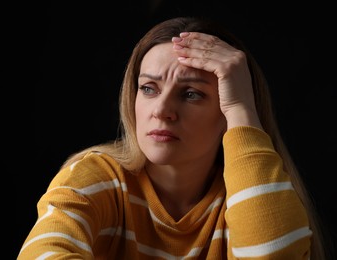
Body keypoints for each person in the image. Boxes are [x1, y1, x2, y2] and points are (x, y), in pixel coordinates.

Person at [17, 16, 330, 259]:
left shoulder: (249, 194)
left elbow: (274, 256)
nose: (162, 110)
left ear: (227, 113)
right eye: (149, 88)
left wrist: (240, 107)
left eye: (191, 94)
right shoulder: (96, 177)